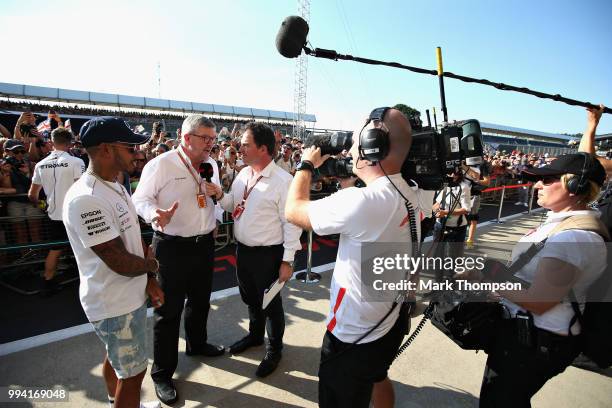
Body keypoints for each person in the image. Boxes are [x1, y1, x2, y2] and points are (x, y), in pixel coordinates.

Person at [285, 108, 430, 407]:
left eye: (356, 138)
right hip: (390, 322)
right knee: (377, 376)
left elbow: (294, 210)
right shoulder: (413, 193)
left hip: (351, 336)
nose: (350, 148)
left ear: (372, 144)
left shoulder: (364, 202)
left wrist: (306, 164)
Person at [478, 153, 607, 407]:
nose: (537, 185)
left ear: (575, 185)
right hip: (532, 336)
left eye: (547, 180)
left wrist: (490, 284)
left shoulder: (573, 238)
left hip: (535, 341)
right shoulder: (565, 224)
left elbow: (539, 301)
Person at [62, 117, 163, 408]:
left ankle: (113, 401)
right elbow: (118, 261)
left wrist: (149, 280)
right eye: (130, 147)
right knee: (133, 374)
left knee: (118, 361)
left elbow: (133, 235)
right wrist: (154, 268)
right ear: (106, 149)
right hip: (113, 302)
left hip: (125, 297)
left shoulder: (115, 185)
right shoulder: (86, 198)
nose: (138, 152)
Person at [132, 114, 224, 405]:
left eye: (213, 138)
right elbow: (140, 200)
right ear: (187, 139)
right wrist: (153, 215)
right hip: (171, 247)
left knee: (200, 300)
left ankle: (197, 345)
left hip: (203, 245)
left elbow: (214, 199)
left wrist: (218, 215)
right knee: (168, 311)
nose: (212, 143)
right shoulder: (161, 164)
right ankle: (161, 374)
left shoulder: (212, 165)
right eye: (206, 138)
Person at [206, 122, 302, 377]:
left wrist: (288, 260)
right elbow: (233, 205)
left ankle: (275, 350)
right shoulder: (244, 174)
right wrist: (219, 195)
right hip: (244, 251)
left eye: (246, 144)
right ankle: (255, 336)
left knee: (271, 305)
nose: (240, 148)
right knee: (250, 298)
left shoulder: (284, 181)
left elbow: (291, 223)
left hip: (269, 254)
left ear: (263, 149)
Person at [28, 127, 85, 295]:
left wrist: (43, 206)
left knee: (55, 250)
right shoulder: (77, 162)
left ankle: (47, 281)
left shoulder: (40, 164)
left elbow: (32, 195)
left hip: (54, 214)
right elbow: (82, 189)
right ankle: (89, 281)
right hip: (75, 214)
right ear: (70, 143)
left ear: (51, 142)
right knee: (85, 247)